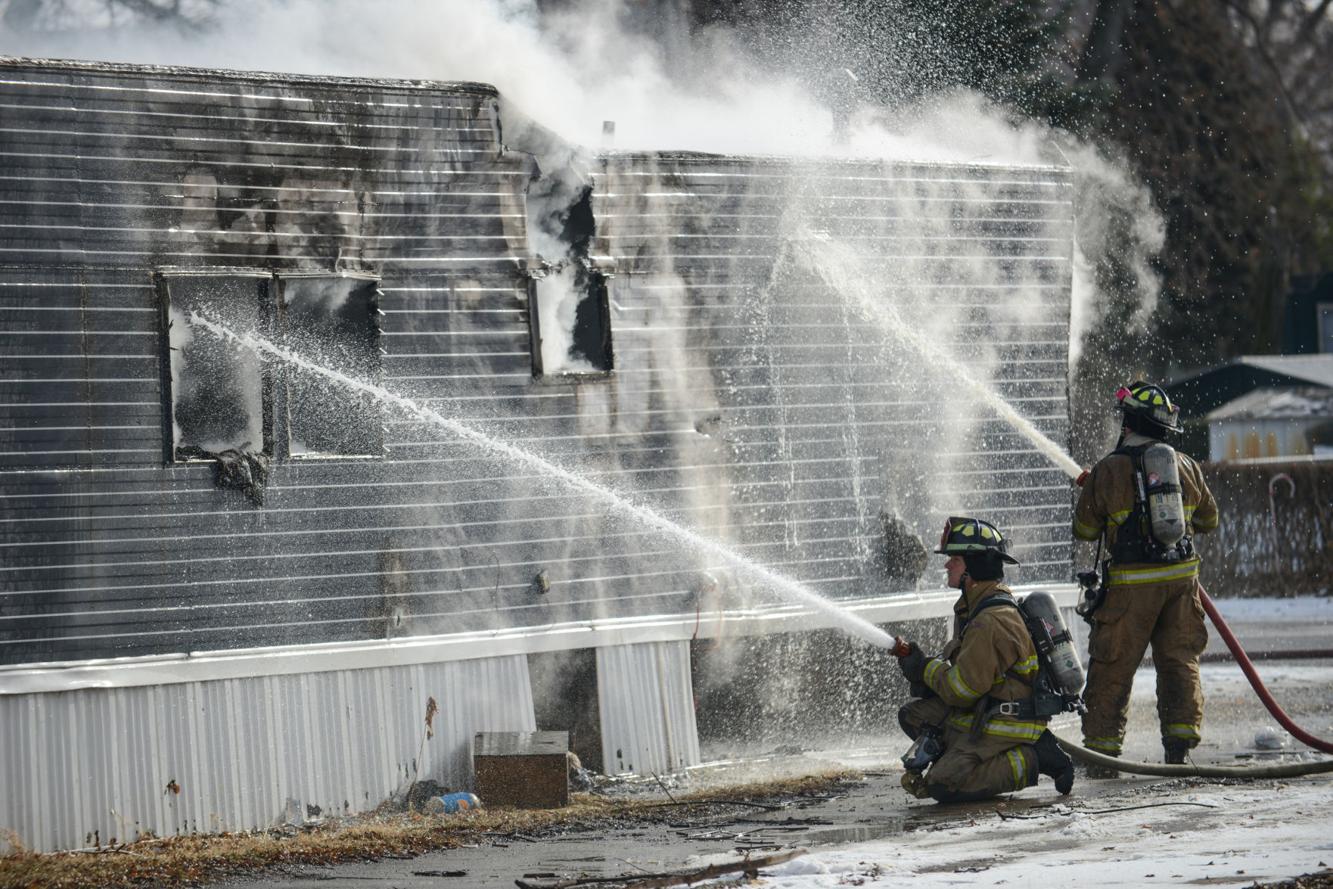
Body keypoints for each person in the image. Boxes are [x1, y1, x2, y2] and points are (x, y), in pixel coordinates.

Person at [1074, 381, 1219, 770]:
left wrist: (1096, 494)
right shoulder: (1185, 466)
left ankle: (1102, 753)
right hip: (1182, 582)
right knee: (1179, 661)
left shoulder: (1109, 469)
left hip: (1130, 588)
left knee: (1112, 665)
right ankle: (1179, 748)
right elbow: (1210, 518)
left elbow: (1085, 532)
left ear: (1130, 422)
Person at [895, 516, 1074, 802]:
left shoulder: (989, 621)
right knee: (912, 714)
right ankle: (957, 756)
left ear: (973, 567)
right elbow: (968, 678)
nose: (946, 565)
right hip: (984, 709)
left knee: (943, 786)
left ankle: (1034, 757)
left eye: (954, 559)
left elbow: (962, 690)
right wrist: (924, 678)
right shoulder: (974, 608)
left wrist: (924, 668)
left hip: (1006, 722)